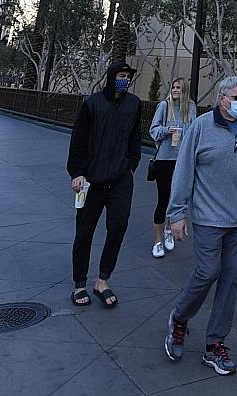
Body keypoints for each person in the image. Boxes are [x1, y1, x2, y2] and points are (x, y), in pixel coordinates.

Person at [163, 75, 237, 376]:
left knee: (230, 279)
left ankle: (215, 344)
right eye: (236, 97)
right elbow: (184, 170)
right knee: (208, 272)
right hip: (208, 218)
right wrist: (177, 213)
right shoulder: (201, 128)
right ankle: (179, 318)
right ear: (221, 98)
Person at [66, 61, 142, 309]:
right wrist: (77, 172)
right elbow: (78, 139)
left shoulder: (134, 104)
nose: (125, 80)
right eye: (121, 75)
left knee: (118, 227)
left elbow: (135, 137)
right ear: (112, 77)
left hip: (120, 179)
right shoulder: (93, 104)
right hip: (91, 180)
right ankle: (79, 283)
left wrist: (131, 164)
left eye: (128, 77)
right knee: (85, 232)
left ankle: (102, 280)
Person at [147, 76, 194, 258]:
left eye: (179, 88)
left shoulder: (190, 108)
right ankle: (158, 240)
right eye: (173, 87)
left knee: (177, 197)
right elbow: (153, 130)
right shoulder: (164, 106)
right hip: (165, 159)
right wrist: (168, 130)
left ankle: (169, 229)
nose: (175, 90)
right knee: (163, 199)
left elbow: (193, 132)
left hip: (182, 160)